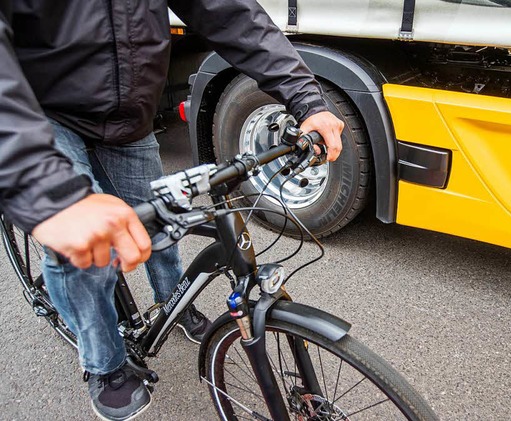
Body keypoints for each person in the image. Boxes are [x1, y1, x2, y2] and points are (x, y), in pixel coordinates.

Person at [0, 1, 344, 420]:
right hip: (43, 113)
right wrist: (50, 193)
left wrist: (309, 101)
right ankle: (104, 365)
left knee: (167, 218)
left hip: (127, 118)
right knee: (85, 252)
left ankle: (172, 301)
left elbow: (231, 14)